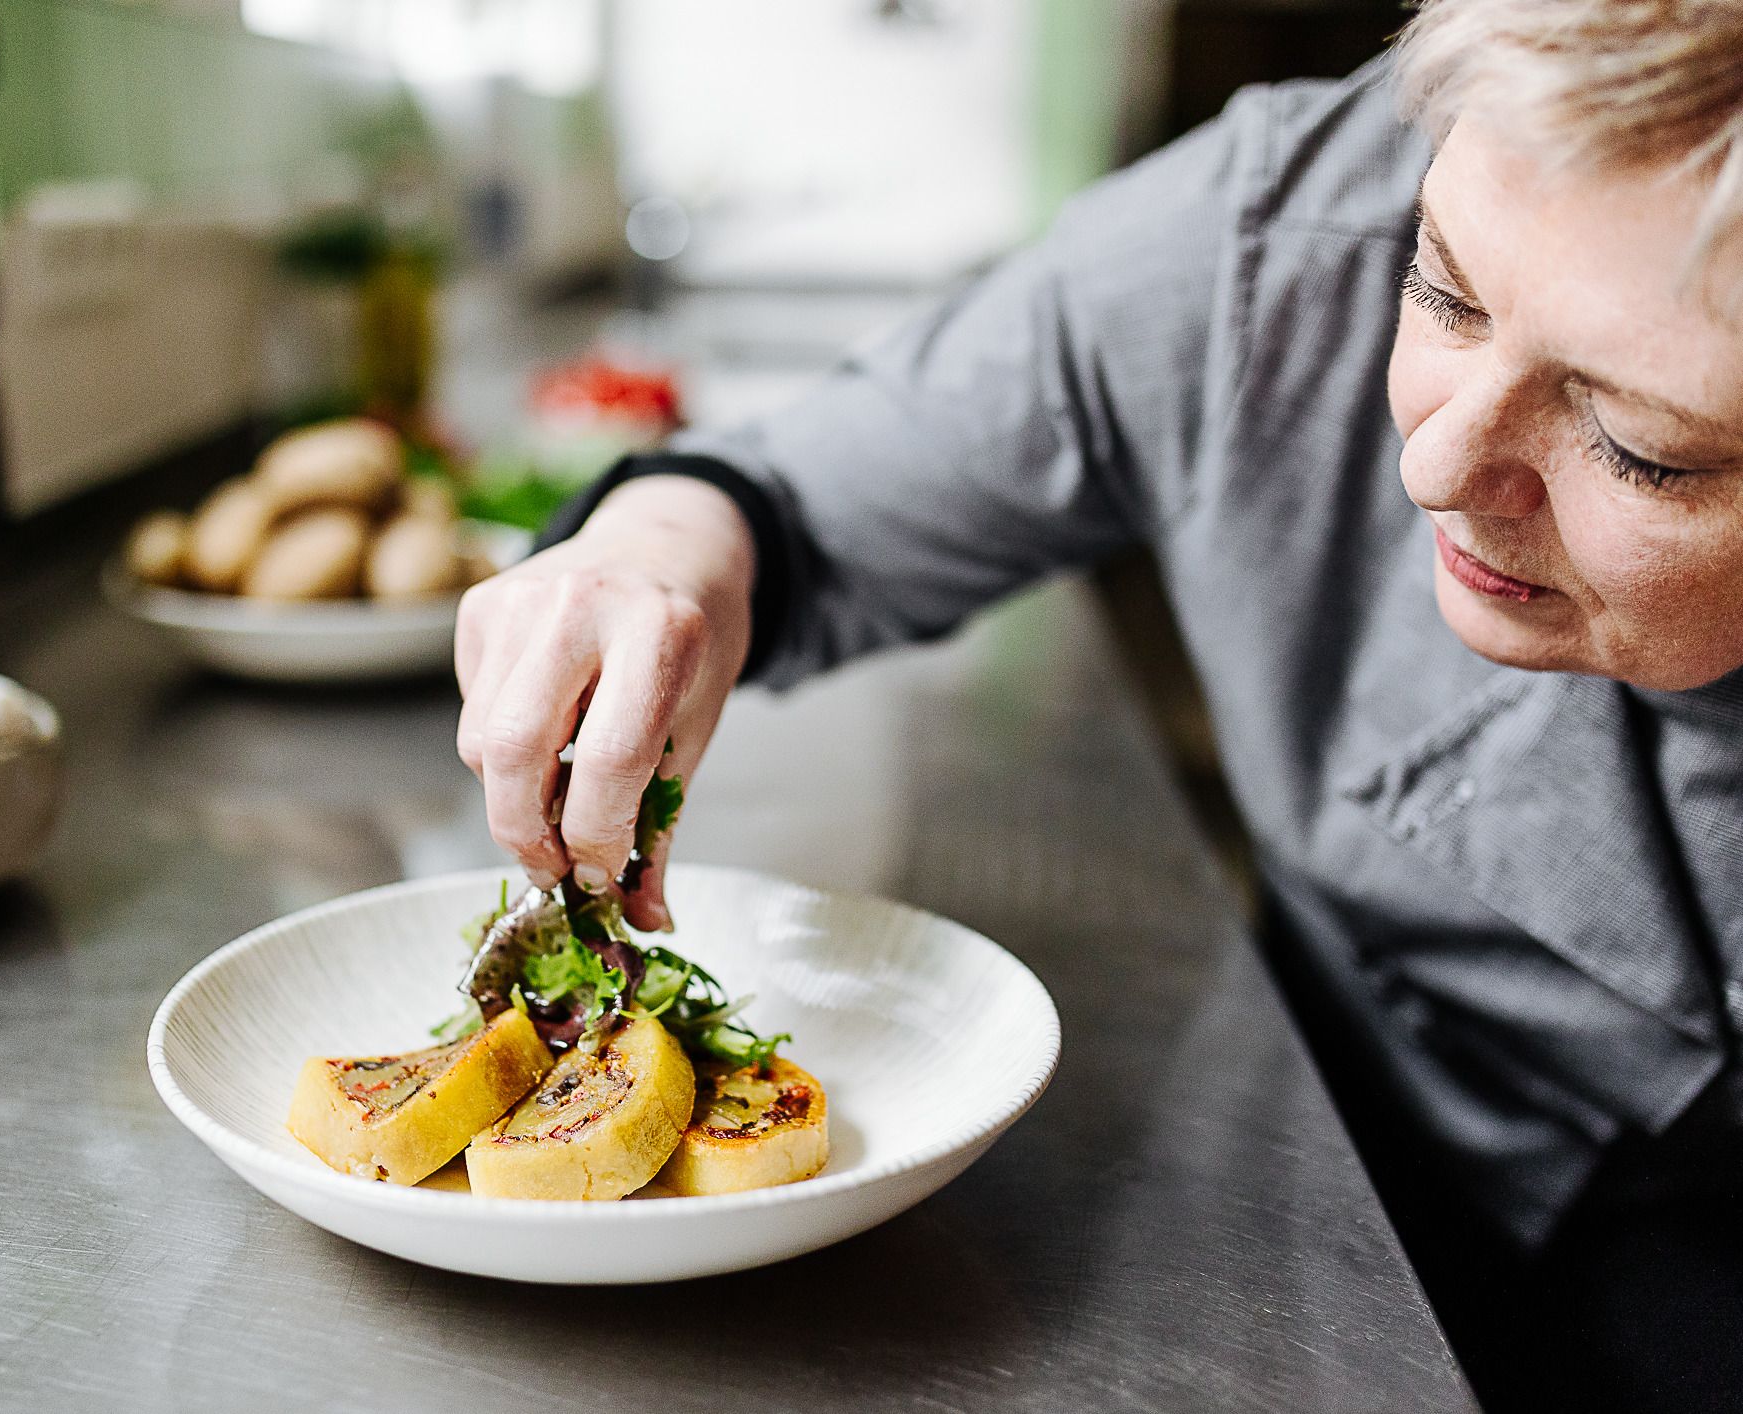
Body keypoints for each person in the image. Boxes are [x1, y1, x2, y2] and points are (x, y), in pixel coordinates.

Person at [451, 2, 1743, 1408]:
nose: (1433, 469)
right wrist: (663, 555)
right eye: (1441, 293)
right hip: (1314, 1174)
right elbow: (804, 498)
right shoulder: (1281, 230)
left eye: (1641, 449)